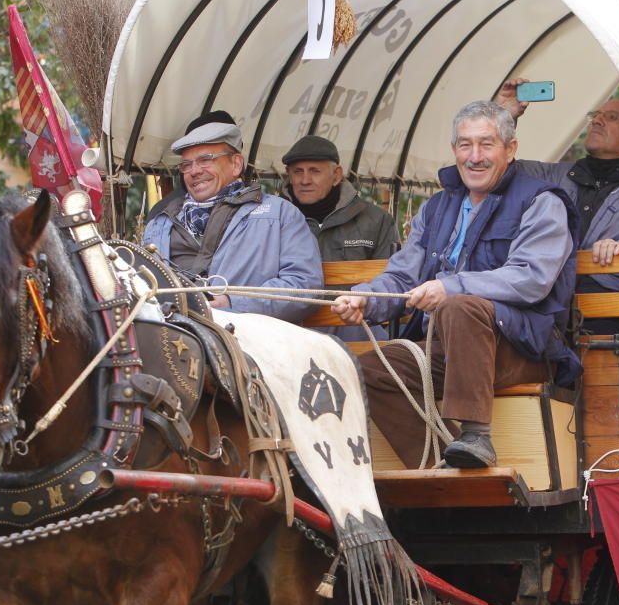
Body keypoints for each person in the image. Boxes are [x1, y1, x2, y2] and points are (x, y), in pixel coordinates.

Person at [331, 101, 580, 469]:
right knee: (368, 370)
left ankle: (476, 435)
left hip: (520, 348)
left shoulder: (541, 202)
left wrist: (452, 286)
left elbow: (532, 278)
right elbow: (403, 276)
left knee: (459, 305)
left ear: (510, 150)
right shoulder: (436, 209)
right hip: (444, 349)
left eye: (486, 144)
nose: (474, 156)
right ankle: (438, 466)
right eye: (465, 145)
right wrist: (367, 299)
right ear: (454, 151)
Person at [143, 120, 323, 323]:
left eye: (205, 160)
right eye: (186, 165)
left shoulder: (280, 214)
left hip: (253, 343)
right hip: (176, 340)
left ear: (236, 164)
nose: (194, 171)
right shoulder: (159, 224)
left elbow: (304, 285)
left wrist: (233, 302)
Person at [495, 79, 619, 294]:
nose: (596, 121)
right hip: (548, 313)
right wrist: (503, 116)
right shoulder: (554, 176)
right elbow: (494, 171)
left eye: (611, 117)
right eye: (595, 116)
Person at [282, 135, 398, 262]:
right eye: (298, 171)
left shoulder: (377, 222)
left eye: (315, 171)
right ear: (289, 174)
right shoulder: (271, 221)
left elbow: (391, 277)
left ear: (336, 175)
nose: (305, 181)